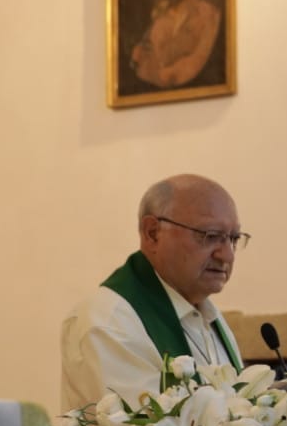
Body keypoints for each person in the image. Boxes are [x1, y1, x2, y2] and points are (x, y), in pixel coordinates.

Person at [60, 174, 247, 409]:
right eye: (210, 236)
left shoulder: (210, 318)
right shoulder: (110, 320)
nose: (227, 255)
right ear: (152, 233)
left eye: (233, 238)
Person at [131, 0, 222, 89]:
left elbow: (202, 55)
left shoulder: (207, 13)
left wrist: (172, 73)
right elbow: (149, 59)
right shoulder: (159, 20)